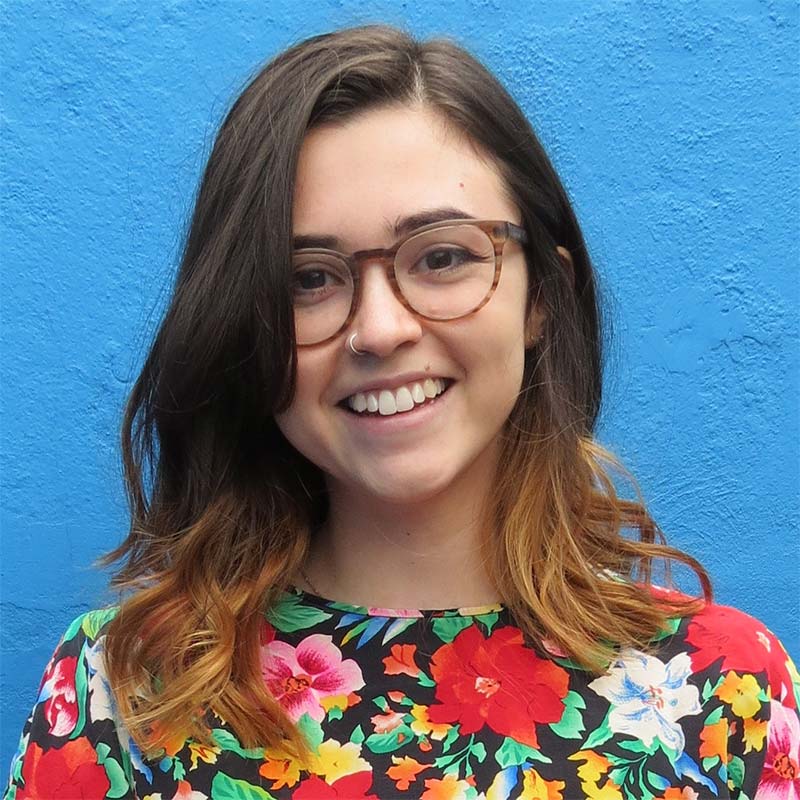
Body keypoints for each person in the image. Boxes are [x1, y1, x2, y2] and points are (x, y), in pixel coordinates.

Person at [5, 24, 798, 800]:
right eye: (307, 280)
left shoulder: (724, 693)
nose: (380, 329)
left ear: (541, 301)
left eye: (444, 256)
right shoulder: (127, 691)